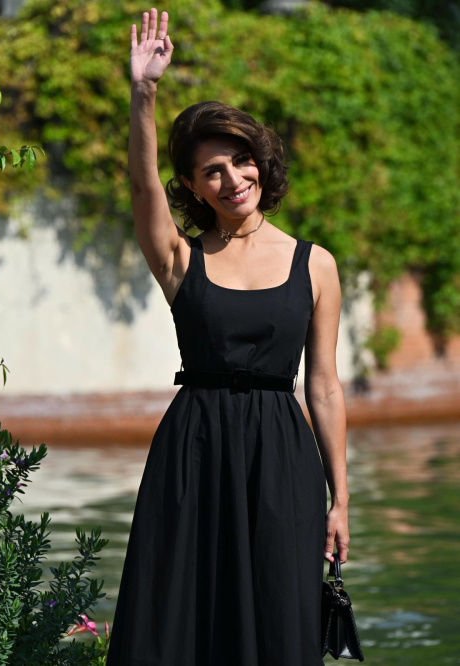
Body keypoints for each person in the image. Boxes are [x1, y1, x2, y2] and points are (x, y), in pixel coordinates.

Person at [106, 7, 350, 665]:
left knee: (280, 614)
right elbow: (138, 183)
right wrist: (145, 94)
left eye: (241, 161)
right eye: (212, 171)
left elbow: (324, 386)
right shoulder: (180, 259)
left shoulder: (315, 263)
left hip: (281, 453)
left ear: (260, 164)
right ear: (193, 186)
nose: (233, 179)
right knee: (177, 617)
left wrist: (341, 497)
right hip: (193, 448)